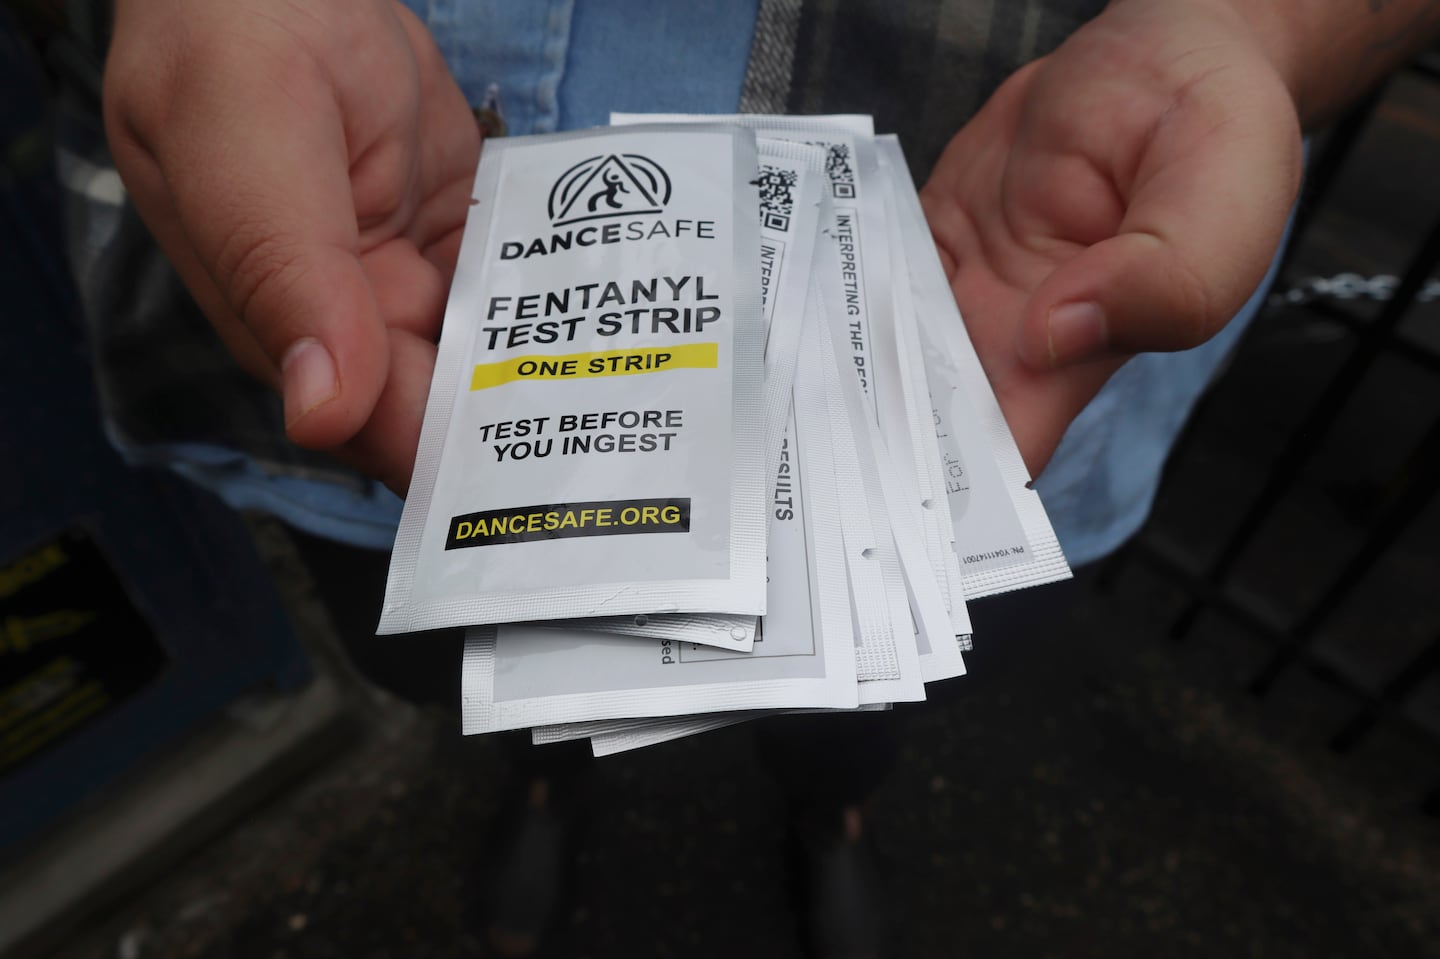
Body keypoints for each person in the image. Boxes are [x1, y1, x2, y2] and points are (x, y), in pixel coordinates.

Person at [95, 0, 1440, 955]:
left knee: (873, 679)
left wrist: (1260, 26)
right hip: (402, 313)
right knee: (500, 675)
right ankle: (558, 776)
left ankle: (833, 806)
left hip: (999, 358)